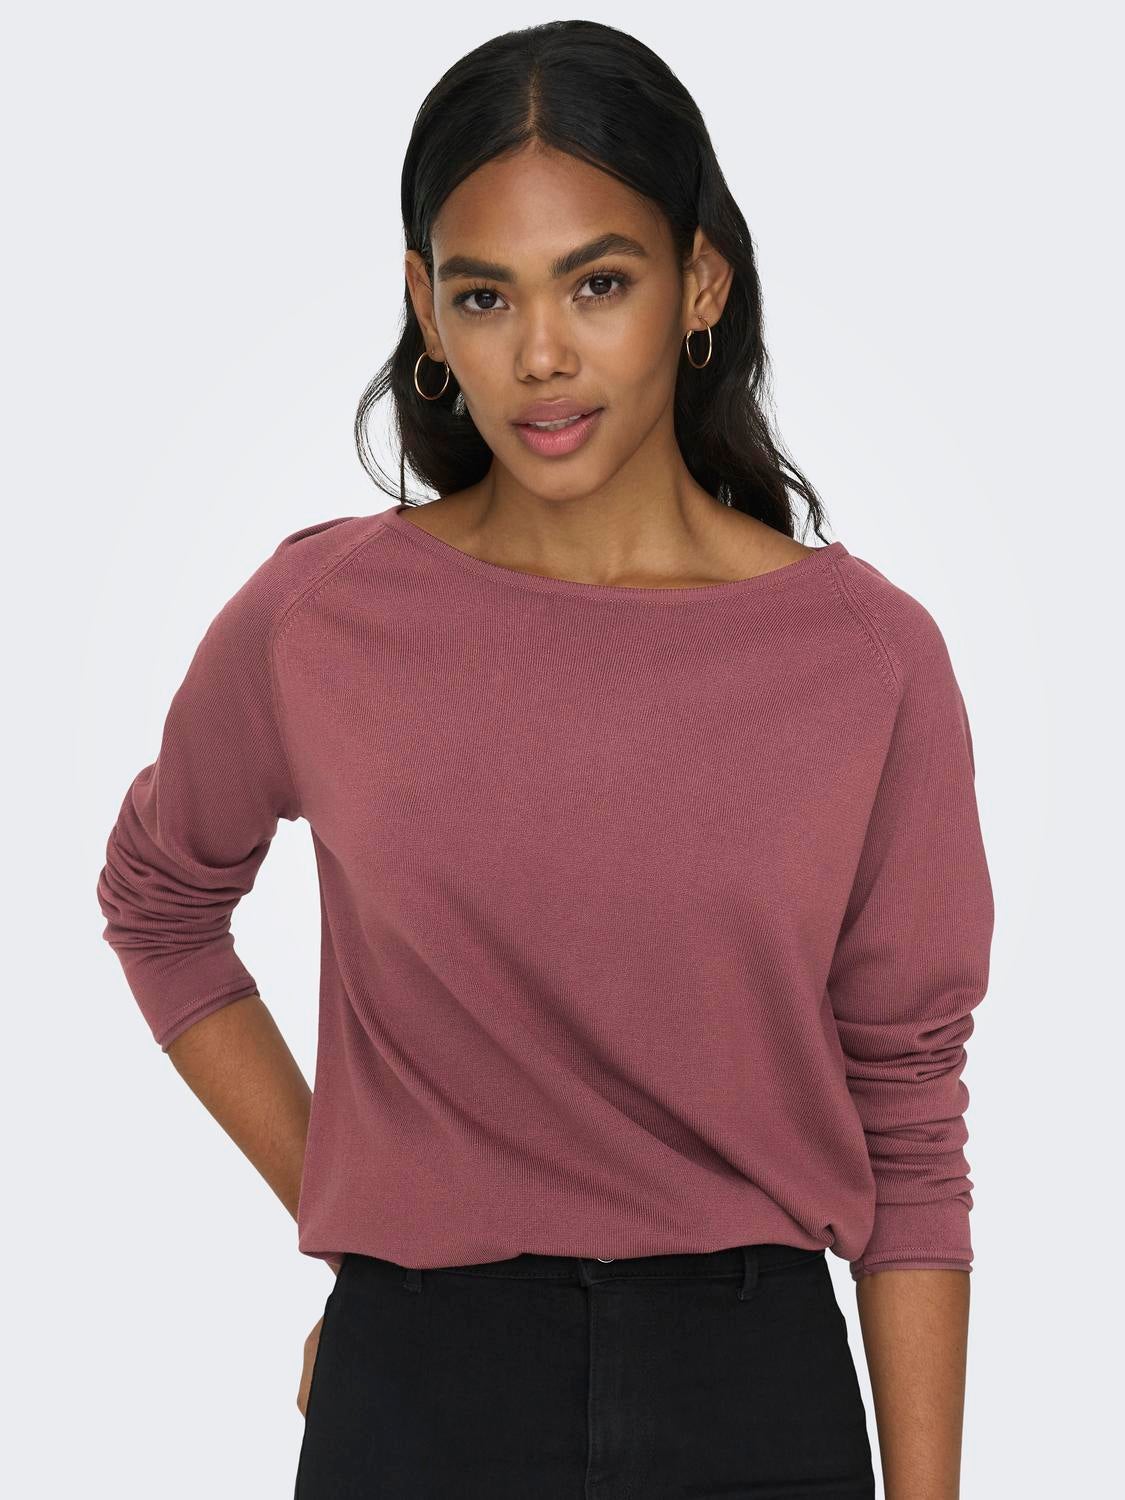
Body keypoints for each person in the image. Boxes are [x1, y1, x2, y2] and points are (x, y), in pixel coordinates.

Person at [96, 19, 994, 1500]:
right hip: (417, 1387)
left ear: (699, 283)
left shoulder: (867, 658)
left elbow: (907, 1105)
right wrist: (354, 1218)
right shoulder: (321, 621)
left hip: (756, 1403)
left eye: (598, 283)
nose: (541, 356)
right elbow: (161, 906)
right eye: (484, 295)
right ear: (424, 307)